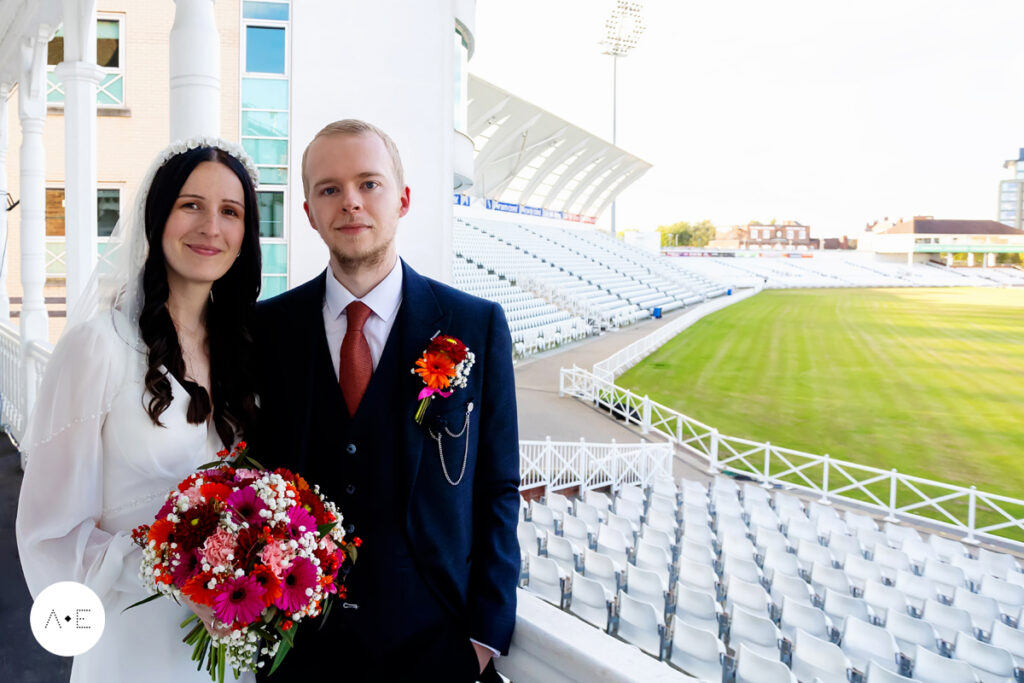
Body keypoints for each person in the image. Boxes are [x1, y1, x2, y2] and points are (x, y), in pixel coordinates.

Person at [253, 120, 520, 682]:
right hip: (299, 647)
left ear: (401, 199)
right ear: (308, 212)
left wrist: (484, 635)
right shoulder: (267, 330)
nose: (350, 202)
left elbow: (498, 486)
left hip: (436, 645)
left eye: (368, 184)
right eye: (329, 189)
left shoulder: (477, 324)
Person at [16, 138, 263, 682]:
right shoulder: (98, 346)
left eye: (230, 212)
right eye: (190, 205)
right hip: (133, 644)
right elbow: (50, 532)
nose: (210, 227)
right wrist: (175, 572)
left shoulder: (246, 352)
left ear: (246, 235)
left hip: (232, 644)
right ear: (157, 218)